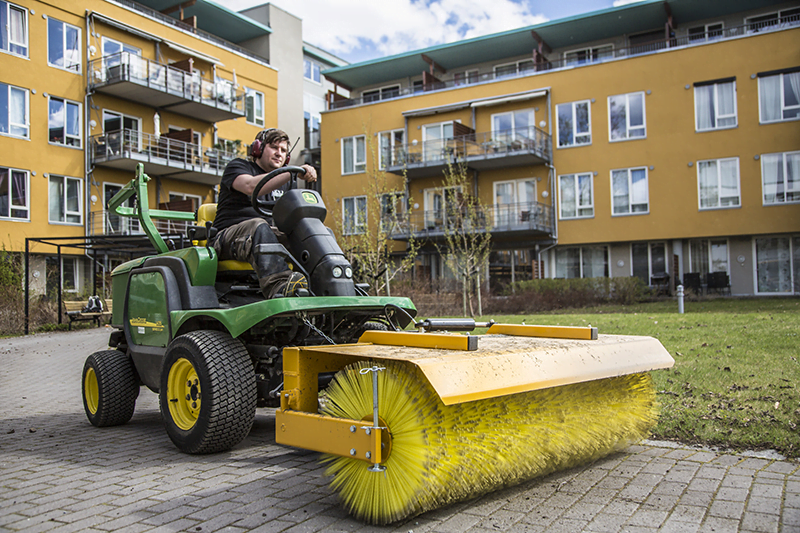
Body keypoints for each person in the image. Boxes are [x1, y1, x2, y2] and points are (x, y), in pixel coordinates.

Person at [210, 128, 317, 298]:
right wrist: (292, 172)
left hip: (265, 235)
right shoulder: (238, 167)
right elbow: (251, 187)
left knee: (311, 233)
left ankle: (326, 285)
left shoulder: (286, 182)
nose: (279, 153)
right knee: (259, 226)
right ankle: (281, 287)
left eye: (283, 150)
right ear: (258, 149)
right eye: (274, 147)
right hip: (226, 238)